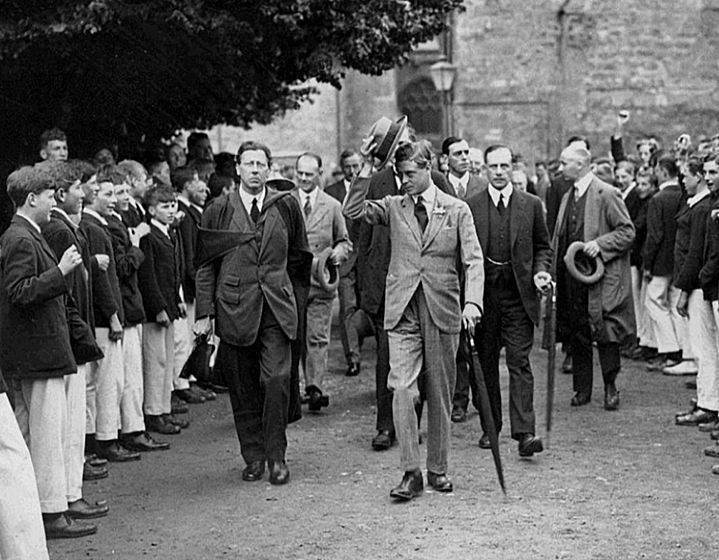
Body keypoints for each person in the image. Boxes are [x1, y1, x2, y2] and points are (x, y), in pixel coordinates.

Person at [344, 139, 484, 501]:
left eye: (409, 174)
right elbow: (353, 210)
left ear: (428, 169)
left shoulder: (457, 209)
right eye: (399, 174)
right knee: (402, 389)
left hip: (442, 309)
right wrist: (367, 165)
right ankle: (411, 471)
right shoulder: (392, 206)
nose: (403, 180)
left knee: (439, 391)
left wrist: (473, 304)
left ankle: (438, 468)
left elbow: (473, 260)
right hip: (402, 308)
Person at [194, 141, 312, 485]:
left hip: (276, 307)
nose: (256, 170)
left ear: (270, 168)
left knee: (276, 379)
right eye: (249, 164)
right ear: (238, 168)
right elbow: (206, 264)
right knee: (243, 385)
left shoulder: (285, 206)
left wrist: (294, 300)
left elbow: (300, 256)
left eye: (262, 164)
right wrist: (205, 312)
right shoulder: (219, 209)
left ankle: (277, 456)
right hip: (235, 308)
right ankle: (253, 455)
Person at [0, 166, 97, 538]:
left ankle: (41, 511)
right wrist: (60, 271)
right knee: (44, 436)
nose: (53, 200)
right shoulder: (21, 238)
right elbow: (20, 292)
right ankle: (51, 512)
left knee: (33, 435)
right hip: (37, 354)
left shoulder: (24, 234)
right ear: (31, 199)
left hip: (34, 353)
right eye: (48, 194)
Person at [355, 133, 456, 451]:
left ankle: (415, 425)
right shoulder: (380, 180)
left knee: (430, 366)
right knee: (389, 362)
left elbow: (452, 235)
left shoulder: (438, 182)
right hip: (391, 285)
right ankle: (387, 426)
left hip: (432, 290)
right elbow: (361, 226)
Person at [466, 144, 552, 457]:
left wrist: (541, 273)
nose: (500, 173)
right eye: (494, 167)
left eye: (505, 166)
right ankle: (491, 427)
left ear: (512, 168)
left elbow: (543, 247)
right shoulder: (471, 206)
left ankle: (525, 432)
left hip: (518, 297)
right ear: (485, 170)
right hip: (484, 297)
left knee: (519, 361)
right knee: (486, 364)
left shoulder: (530, 205)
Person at [551, 145, 635, 410]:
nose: (560, 168)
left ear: (581, 164)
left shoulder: (607, 193)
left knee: (606, 332)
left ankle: (611, 386)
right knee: (578, 333)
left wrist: (600, 244)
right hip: (573, 278)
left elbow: (627, 232)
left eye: (565, 163)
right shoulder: (567, 197)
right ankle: (582, 389)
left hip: (601, 279)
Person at [81, 168, 142, 463]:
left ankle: (104, 437)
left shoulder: (98, 225)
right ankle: (106, 439)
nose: (111, 200)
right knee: (108, 381)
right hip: (105, 319)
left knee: (107, 381)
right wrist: (114, 315)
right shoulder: (93, 229)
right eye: (105, 194)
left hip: (107, 316)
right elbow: (102, 281)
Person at [292, 152, 350, 410]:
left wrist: (338, 252)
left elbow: (344, 240)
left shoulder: (332, 205)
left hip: (321, 282)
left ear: (320, 174)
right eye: (300, 173)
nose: (304, 178)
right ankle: (292, 390)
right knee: (293, 336)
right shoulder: (285, 202)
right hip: (291, 283)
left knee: (317, 336)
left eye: (309, 174)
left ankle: (314, 388)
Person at [137, 185, 190, 435]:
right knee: (155, 361)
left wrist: (176, 299)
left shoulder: (169, 233)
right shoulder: (149, 236)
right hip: (154, 311)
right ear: (151, 209)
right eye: (164, 206)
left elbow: (173, 272)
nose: (171, 211)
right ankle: (153, 412)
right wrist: (158, 307)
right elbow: (148, 276)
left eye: (173, 206)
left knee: (166, 360)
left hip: (169, 306)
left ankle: (164, 409)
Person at [325, 149, 373, 377]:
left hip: (368, 260)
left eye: (356, 166)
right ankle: (352, 357)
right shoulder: (331, 193)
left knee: (369, 306)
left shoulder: (370, 188)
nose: (352, 171)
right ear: (341, 168)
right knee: (347, 308)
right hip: (345, 262)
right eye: (348, 167)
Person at [643, 155, 687, 372]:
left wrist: (647, 263)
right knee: (674, 304)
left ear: (662, 171)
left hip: (660, 262)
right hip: (679, 260)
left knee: (654, 303)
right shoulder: (684, 195)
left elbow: (655, 235)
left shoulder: (657, 199)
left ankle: (669, 349)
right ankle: (680, 351)